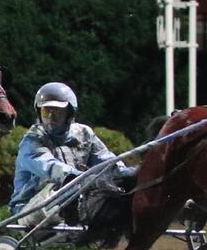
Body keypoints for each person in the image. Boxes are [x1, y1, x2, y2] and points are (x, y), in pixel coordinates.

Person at [9, 82, 131, 225]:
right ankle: (72, 209)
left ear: (70, 114)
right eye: (46, 112)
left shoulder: (85, 133)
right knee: (58, 189)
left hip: (76, 195)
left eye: (57, 113)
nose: (50, 119)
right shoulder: (32, 140)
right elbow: (51, 168)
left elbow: (107, 162)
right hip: (29, 207)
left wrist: (131, 175)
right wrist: (85, 180)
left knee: (117, 191)